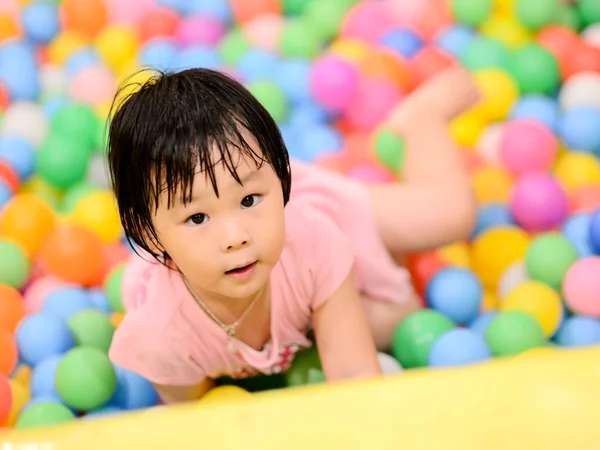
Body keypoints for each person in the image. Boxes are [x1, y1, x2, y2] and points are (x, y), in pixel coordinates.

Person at [107, 65, 480, 404]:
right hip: (236, 278)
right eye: (198, 218)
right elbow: (198, 415)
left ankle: (422, 118)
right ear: (150, 235)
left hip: (308, 228)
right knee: (400, 316)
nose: (235, 236)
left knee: (451, 215)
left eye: (249, 199)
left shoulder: (312, 239)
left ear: (281, 177)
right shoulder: (162, 336)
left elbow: (355, 381)